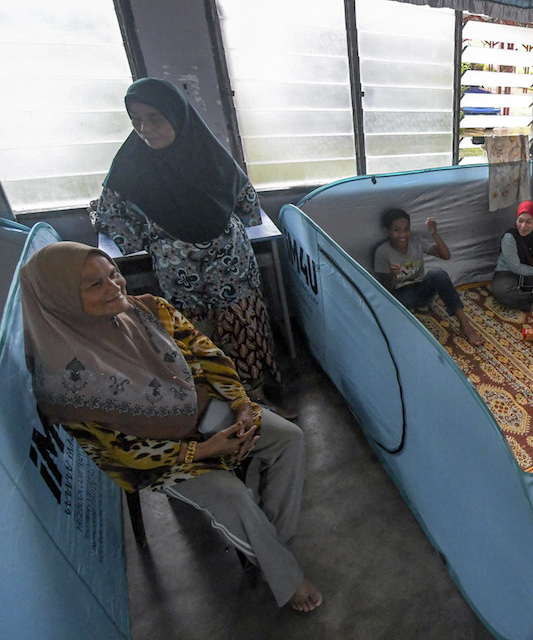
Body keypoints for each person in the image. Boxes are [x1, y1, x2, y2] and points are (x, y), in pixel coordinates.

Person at [19, 242, 321, 612]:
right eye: (95, 285)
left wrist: (242, 405)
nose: (115, 287)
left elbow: (207, 354)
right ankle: (284, 574)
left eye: (113, 273)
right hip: (158, 457)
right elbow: (119, 451)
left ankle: (273, 547)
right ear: (60, 298)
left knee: (289, 438)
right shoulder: (62, 380)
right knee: (233, 497)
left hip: (208, 412)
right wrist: (206, 450)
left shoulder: (148, 309)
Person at [95, 78, 286, 412]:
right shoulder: (130, 164)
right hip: (179, 270)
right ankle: (224, 406)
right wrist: (144, 238)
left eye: (155, 118)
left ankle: (257, 400)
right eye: (136, 120)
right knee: (198, 335)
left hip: (229, 261)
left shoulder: (210, 154)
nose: (145, 129)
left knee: (243, 327)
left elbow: (246, 201)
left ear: (177, 115)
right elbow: (112, 213)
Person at [373, 207, 483, 346]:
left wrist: (434, 234)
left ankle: (466, 325)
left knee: (438, 273)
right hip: (400, 297)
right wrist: (393, 275)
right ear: (387, 231)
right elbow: (386, 289)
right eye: (396, 230)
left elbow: (445, 255)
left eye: (406, 229)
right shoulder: (382, 252)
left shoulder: (416, 241)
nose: (403, 234)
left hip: (421, 291)